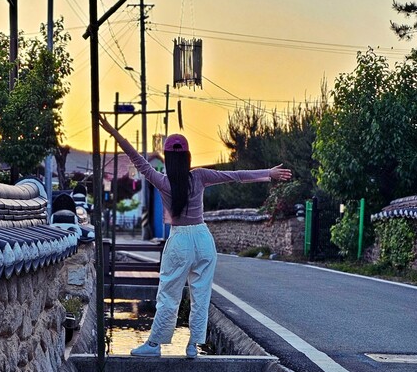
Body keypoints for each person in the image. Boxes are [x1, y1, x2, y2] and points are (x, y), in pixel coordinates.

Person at [99, 115, 291, 357]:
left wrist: (112, 131)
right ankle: (193, 345)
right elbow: (235, 175)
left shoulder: (162, 181)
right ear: (187, 157)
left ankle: (154, 345)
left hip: (179, 241)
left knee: (169, 294)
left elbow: (137, 159)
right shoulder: (200, 176)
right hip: (203, 239)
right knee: (201, 294)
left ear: (167, 159)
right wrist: (268, 173)